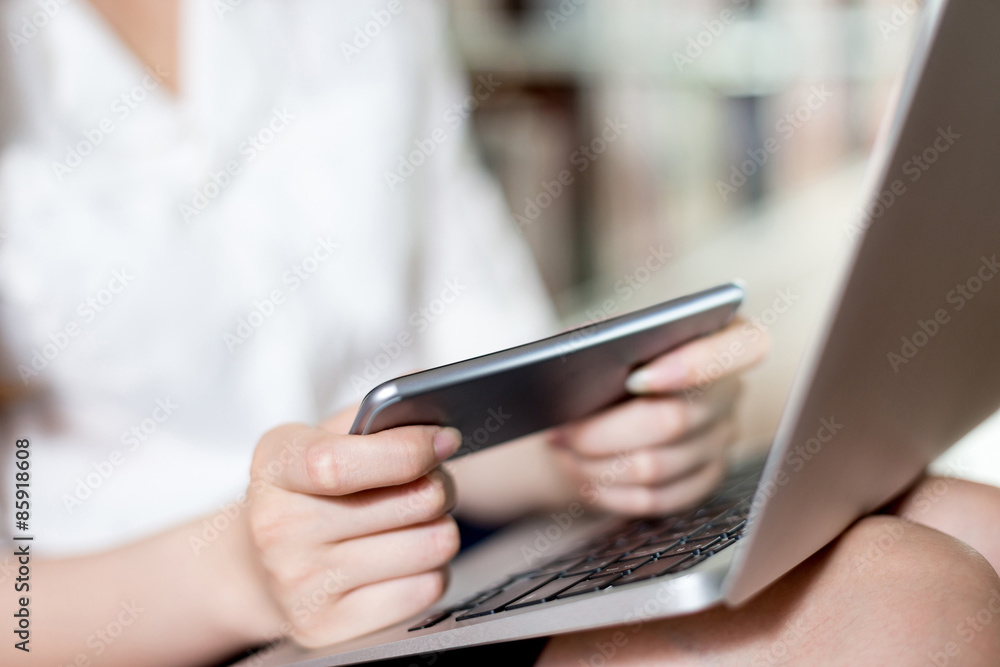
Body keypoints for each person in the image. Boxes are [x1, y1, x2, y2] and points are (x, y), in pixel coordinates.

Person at [1, 2, 998, 666]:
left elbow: (461, 393)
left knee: (975, 523)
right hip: (143, 626)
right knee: (905, 601)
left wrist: (580, 445)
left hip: (449, 561)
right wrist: (239, 573)